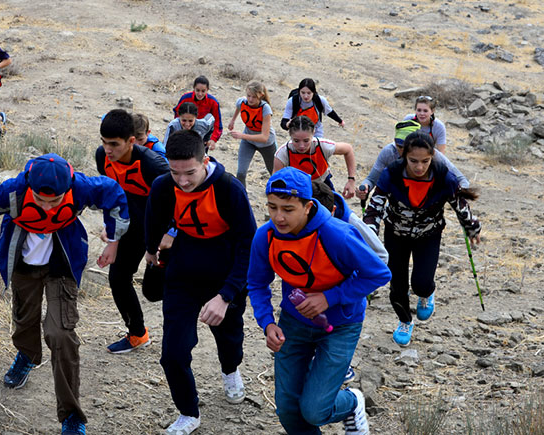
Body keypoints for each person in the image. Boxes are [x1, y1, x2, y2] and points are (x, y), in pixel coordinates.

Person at [0, 154, 129, 435]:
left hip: (62, 264)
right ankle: (28, 356)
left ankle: (72, 416)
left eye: (53, 202)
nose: (45, 206)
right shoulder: (12, 191)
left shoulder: (80, 188)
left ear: (67, 191)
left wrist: (113, 240)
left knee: (61, 333)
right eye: (40, 200)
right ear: (29, 185)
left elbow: (115, 195)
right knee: (24, 319)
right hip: (22, 263)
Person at [248, 168, 390, 435]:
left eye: (288, 209)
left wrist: (330, 297)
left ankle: (352, 403)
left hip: (341, 325)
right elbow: (257, 283)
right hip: (293, 323)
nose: (278, 217)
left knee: (314, 411)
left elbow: (379, 273)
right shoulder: (265, 237)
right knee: (288, 410)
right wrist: (267, 324)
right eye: (272, 207)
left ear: (308, 206)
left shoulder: (338, 234)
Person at [145, 131, 257, 435]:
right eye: (175, 172)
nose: (182, 180)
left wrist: (226, 294)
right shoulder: (163, 186)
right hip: (181, 275)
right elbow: (153, 222)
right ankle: (188, 413)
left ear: (205, 161)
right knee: (173, 354)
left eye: (190, 172)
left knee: (229, 338)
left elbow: (249, 243)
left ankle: (231, 370)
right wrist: (151, 251)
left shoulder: (229, 188)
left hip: (224, 276)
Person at [363, 133, 481, 347]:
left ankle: (426, 294)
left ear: (433, 156)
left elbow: (459, 204)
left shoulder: (444, 176)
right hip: (396, 233)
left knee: (422, 282)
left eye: (425, 161)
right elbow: (375, 205)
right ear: (404, 156)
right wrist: (369, 234)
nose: (419, 167)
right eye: (413, 161)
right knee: (396, 283)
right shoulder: (392, 174)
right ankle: (405, 321)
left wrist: (472, 227)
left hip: (428, 234)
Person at [96, 109, 170, 354]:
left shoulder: (152, 164)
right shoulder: (102, 158)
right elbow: (111, 194)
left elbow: (182, 200)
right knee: (118, 279)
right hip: (132, 227)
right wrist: (113, 234)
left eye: (114, 144)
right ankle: (138, 334)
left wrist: (171, 235)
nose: (108, 150)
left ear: (131, 142)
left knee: (155, 291)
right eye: (104, 143)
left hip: (163, 232)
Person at [356, 119, 468, 202]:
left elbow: (461, 179)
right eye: (398, 146)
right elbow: (371, 179)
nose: (402, 151)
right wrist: (365, 189)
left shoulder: (431, 154)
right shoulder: (389, 152)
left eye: (406, 148)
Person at [272, 116, 358, 199]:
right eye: (296, 141)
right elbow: (275, 181)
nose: (301, 146)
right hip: (297, 188)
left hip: (323, 183)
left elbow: (348, 149)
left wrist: (351, 180)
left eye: (306, 141)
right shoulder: (283, 153)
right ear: (290, 135)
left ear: (313, 133)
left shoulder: (322, 146)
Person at [227, 80, 277, 187]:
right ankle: (242, 199)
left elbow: (264, 137)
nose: (250, 99)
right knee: (240, 173)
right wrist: (233, 120)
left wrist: (241, 136)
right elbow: (238, 106)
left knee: (274, 173)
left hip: (267, 144)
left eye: (254, 97)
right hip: (248, 142)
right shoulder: (242, 102)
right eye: (248, 96)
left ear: (261, 95)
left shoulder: (265, 109)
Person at [279, 78, 344, 139]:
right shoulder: (293, 101)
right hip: (298, 132)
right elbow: (283, 122)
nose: (306, 96)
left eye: (309, 93)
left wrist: (340, 121)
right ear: (299, 92)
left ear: (314, 92)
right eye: (303, 93)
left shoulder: (320, 100)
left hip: (316, 131)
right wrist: (288, 124)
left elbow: (330, 112)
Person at [173, 76, 223, 151]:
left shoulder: (213, 102)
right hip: (186, 128)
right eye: (197, 90)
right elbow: (177, 115)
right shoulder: (185, 98)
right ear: (193, 88)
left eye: (203, 91)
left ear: (207, 90)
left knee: (199, 156)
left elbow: (217, 122)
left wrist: (213, 139)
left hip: (204, 133)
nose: (200, 94)